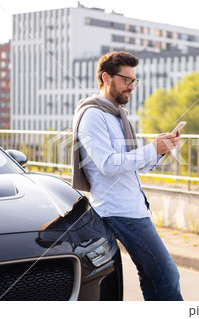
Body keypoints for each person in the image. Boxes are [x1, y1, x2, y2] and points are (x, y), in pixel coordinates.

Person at [71, 51, 183, 301]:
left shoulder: (117, 116)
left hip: (133, 207)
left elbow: (136, 166)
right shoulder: (92, 116)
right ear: (106, 78)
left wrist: (160, 149)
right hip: (120, 210)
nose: (132, 86)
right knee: (167, 274)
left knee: (152, 275)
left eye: (134, 80)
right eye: (126, 80)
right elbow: (108, 164)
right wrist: (151, 148)